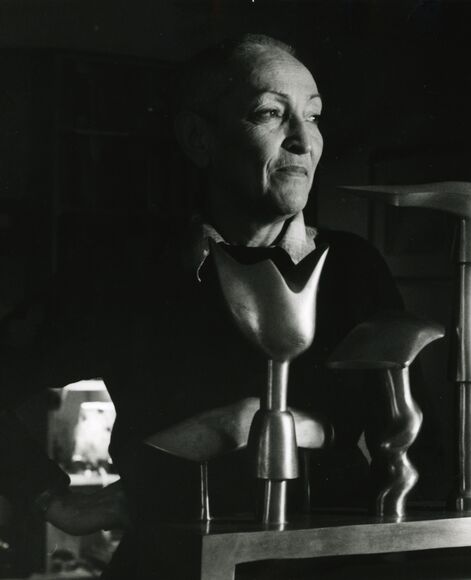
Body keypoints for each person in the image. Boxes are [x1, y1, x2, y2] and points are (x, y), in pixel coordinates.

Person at [0, 34, 438, 577]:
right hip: (175, 563)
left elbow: (419, 442)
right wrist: (44, 495)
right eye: (270, 113)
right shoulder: (125, 271)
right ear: (199, 138)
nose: (304, 141)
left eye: (314, 115)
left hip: (329, 563)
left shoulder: (353, 267)